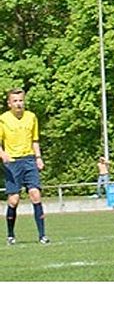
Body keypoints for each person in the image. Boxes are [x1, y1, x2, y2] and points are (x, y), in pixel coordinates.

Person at [0, 88, 50, 245]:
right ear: (9, 104)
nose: (18, 103)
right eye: (15, 101)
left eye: (20, 100)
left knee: (35, 195)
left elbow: (35, 141)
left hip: (29, 160)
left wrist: (39, 158)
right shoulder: (3, 119)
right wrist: (3, 154)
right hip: (13, 163)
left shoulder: (31, 117)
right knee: (14, 200)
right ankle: (10, 234)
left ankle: (42, 235)